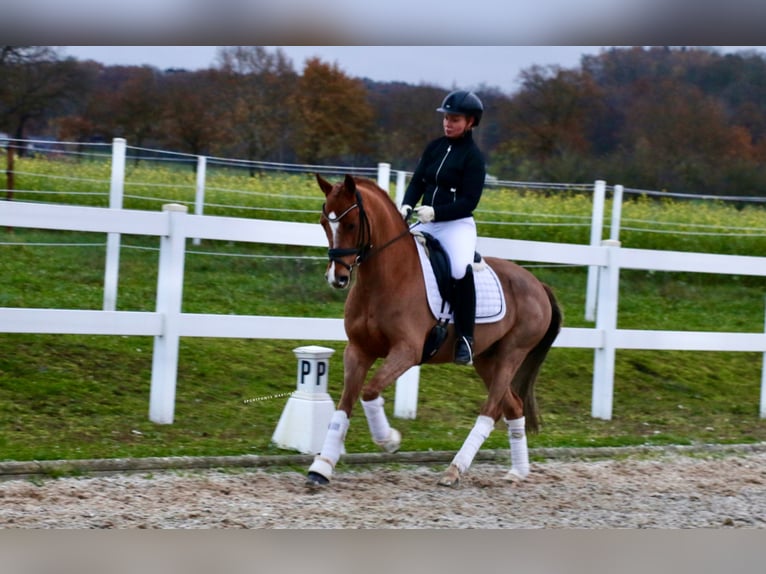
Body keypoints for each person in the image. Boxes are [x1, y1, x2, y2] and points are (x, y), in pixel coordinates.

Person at [400, 90, 486, 365]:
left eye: (455, 119)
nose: (448, 123)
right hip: (426, 220)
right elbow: (418, 182)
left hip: (456, 225)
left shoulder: (473, 157)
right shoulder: (435, 147)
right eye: (446, 118)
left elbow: (469, 202)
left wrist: (437, 212)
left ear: (471, 122)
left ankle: (465, 338)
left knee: (460, 269)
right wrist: (405, 205)